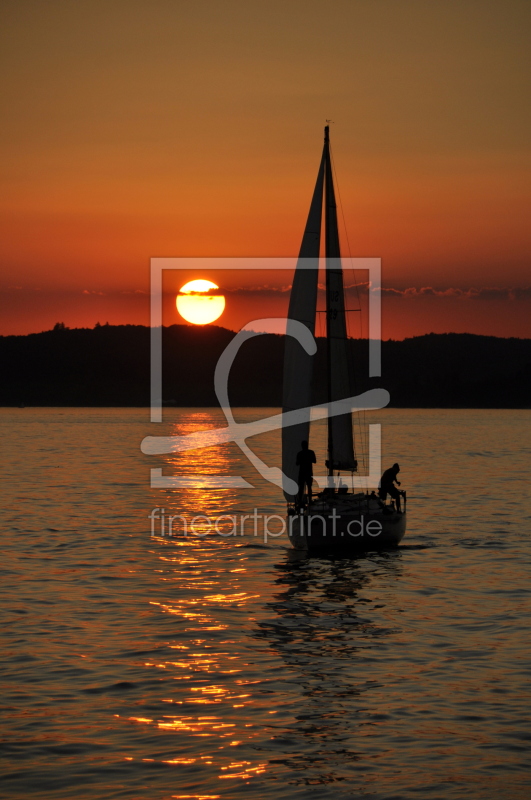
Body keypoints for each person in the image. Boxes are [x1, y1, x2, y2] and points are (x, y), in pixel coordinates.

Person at [296, 440, 316, 507]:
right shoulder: (311, 452)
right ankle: (309, 501)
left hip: (302, 472)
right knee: (309, 487)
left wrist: (302, 460)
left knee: (301, 487)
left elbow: (297, 463)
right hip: (308, 472)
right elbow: (314, 461)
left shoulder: (300, 453)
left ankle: (300, 501)